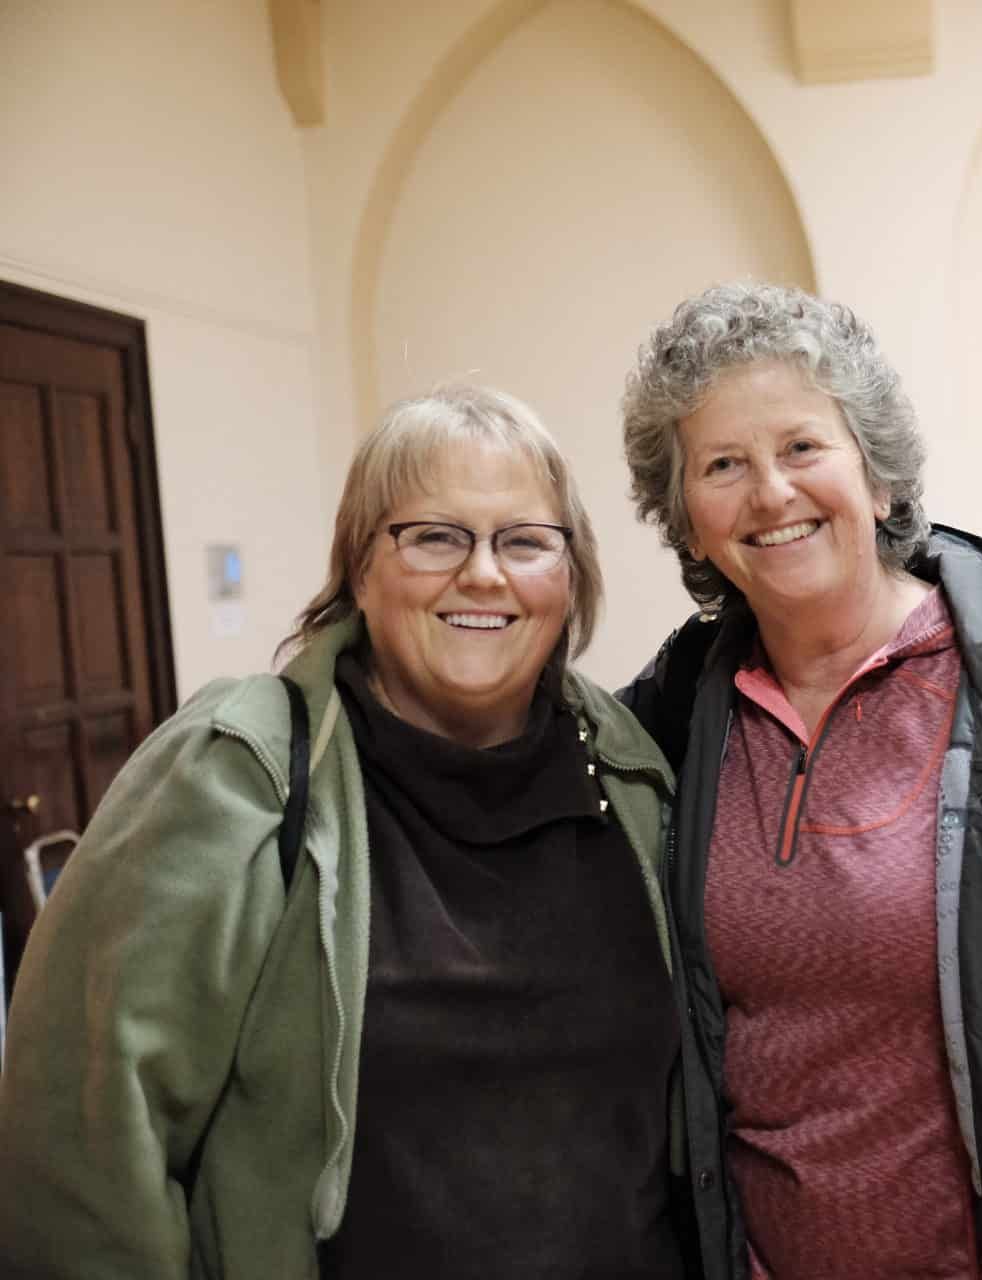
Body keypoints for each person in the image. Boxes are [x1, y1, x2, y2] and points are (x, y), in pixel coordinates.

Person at [0, 385, 686, 1278]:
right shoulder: (236, 772)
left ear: (571, 575)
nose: (483, 573)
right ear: (360, 569)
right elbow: (81, 1147)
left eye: (524, 541)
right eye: (435, 535)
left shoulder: (635, 774)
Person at [617, 282, 982, 1280]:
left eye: (802, 448)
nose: (771, 493)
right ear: (687, 520)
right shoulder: (662, 732)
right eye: (724, 465)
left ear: (878, 477)